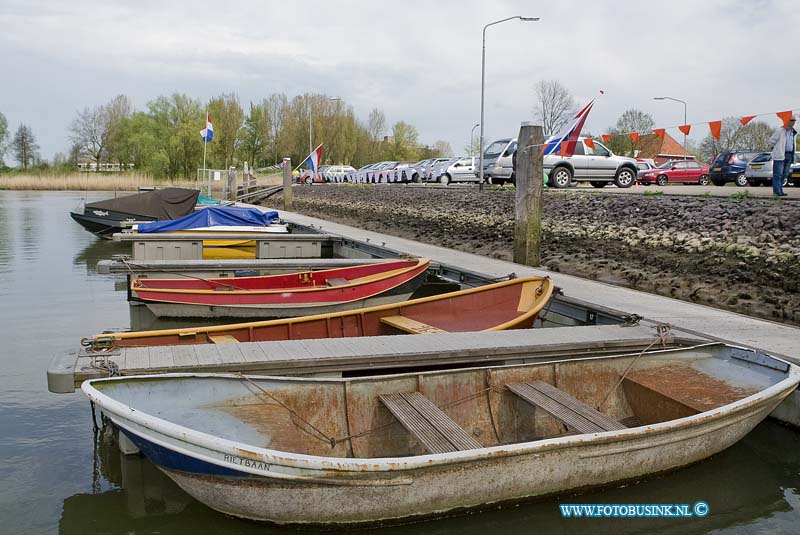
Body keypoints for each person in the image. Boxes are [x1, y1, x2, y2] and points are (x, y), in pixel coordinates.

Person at [771, 115, 797, 197]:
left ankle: (780, 190)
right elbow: (771, 141)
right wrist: (774, 149)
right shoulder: (780, 130)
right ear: (787, 121)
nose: (793, 122)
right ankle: (777, 191)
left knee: (785, 174)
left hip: (789, 154)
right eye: (791, 120)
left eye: (794, 120)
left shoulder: (793, 132)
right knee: (778, 174)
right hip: (780, 155)